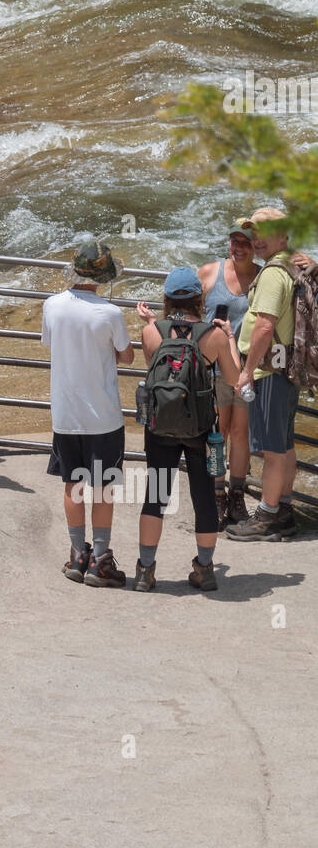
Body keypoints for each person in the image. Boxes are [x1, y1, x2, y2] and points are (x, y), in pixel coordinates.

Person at [135, 268, 241, 591]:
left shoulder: (151, 332)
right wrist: (231, 339)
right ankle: (205, 569)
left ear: (167, 298)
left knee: (155, 496)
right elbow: (235, 380)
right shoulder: (215, 336)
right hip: (201, 428)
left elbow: (157, 368)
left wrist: (150, 322)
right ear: (201, 299)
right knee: (204, 498)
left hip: (161, 428)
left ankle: (145, 571)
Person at [42, 241, 134, 588]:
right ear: (103, 276)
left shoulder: (52, 305)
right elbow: (126, 357)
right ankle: (100, 559)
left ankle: (77, 554)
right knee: (103, 488)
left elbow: (52, 342)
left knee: (73, 484)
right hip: (104, 417)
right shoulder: (110, 313)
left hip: (66, 414)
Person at [226, 208, 301, 541]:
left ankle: (266, 518)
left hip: (269, 370)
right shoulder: (293, 265)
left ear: (282, 236)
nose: (255, 239)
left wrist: (245, 370)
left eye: (263, 232)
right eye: (252, 232)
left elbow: (265, 325)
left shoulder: (272, 273)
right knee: (283, 445)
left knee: (271, 451)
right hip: (287, 369)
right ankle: (283, 510)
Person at [198, 225, 258, 529]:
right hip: (214, 368)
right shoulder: (209, 272)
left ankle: (237, 495)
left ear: (255, 246)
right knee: (217, 433)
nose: (239, 248)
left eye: (246, 243)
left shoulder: (263, 276)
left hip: (249, 370)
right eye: (235, 242)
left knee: (241, 432)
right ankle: (217, 493)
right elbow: (189, 313)